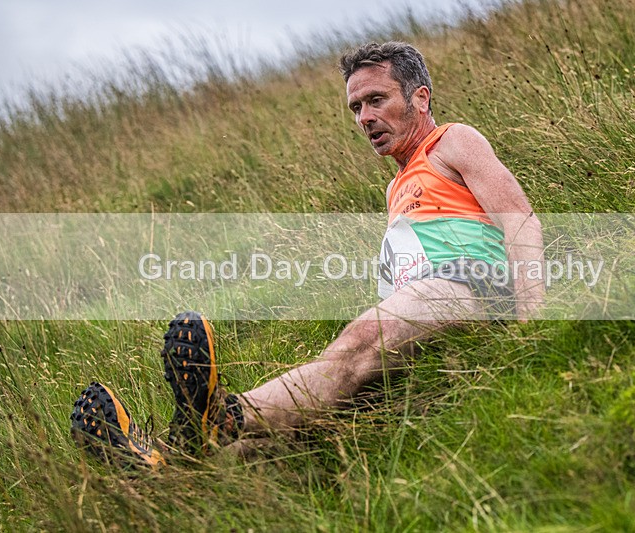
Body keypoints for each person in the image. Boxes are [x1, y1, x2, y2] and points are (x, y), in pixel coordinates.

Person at [70, 41, 544, 466]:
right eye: (356, 107)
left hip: (470, 287)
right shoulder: (396, 187)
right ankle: (162, 462)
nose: (364, 118)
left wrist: (533, 325)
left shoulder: (453, 141)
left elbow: (520, 219)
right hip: (422, 314)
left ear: (420, 98)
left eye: (377, 100)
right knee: (298, 426)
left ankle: (220, 414)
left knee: (359, 341)